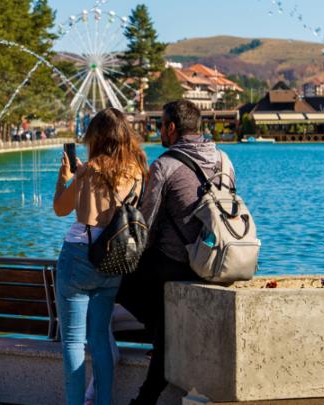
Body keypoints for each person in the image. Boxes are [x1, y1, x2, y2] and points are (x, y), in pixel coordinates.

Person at [117, 100, 236, 405]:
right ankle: (161, 337)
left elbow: (147, 224)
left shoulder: (165, 165)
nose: (159, 131)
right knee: (165, 321)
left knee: (118, 280)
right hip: (218, 258)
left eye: (161, 126)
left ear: (171, 128)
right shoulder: (224, 159)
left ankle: (151, 373)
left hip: (177, 262)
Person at [53, 107, 147, 405]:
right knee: (99, 340)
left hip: (79, 257)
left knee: (73, 341)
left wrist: (66, 177)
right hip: (114, 260)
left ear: (97, 137)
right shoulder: (136, 171)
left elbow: (60, 208)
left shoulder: (89, 170)